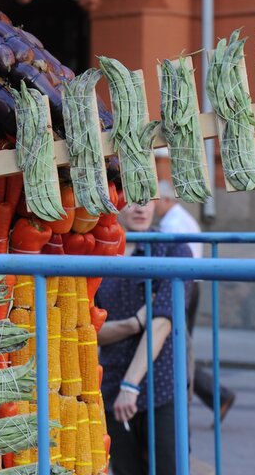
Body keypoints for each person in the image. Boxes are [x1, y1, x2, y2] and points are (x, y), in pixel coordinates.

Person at [94, 200, 191, 475]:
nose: (141, 208)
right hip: (112, 386)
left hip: (160, 387)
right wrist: (137, 322)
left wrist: (131, 386)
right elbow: (92, 331)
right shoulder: (102, 254)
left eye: (148, 199)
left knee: (170, 467)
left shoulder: (172, 249)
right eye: (132, 200)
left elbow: (162, 322)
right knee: (125, 470)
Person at [154, 181, 236, 423]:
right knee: (178, 345)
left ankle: (216, 395)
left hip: (182, 286)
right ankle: (215, 396)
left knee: (176, 346)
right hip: (188, 285)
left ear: (167, 199)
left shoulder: (174, 224)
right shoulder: (180, 219)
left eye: (156, 199)